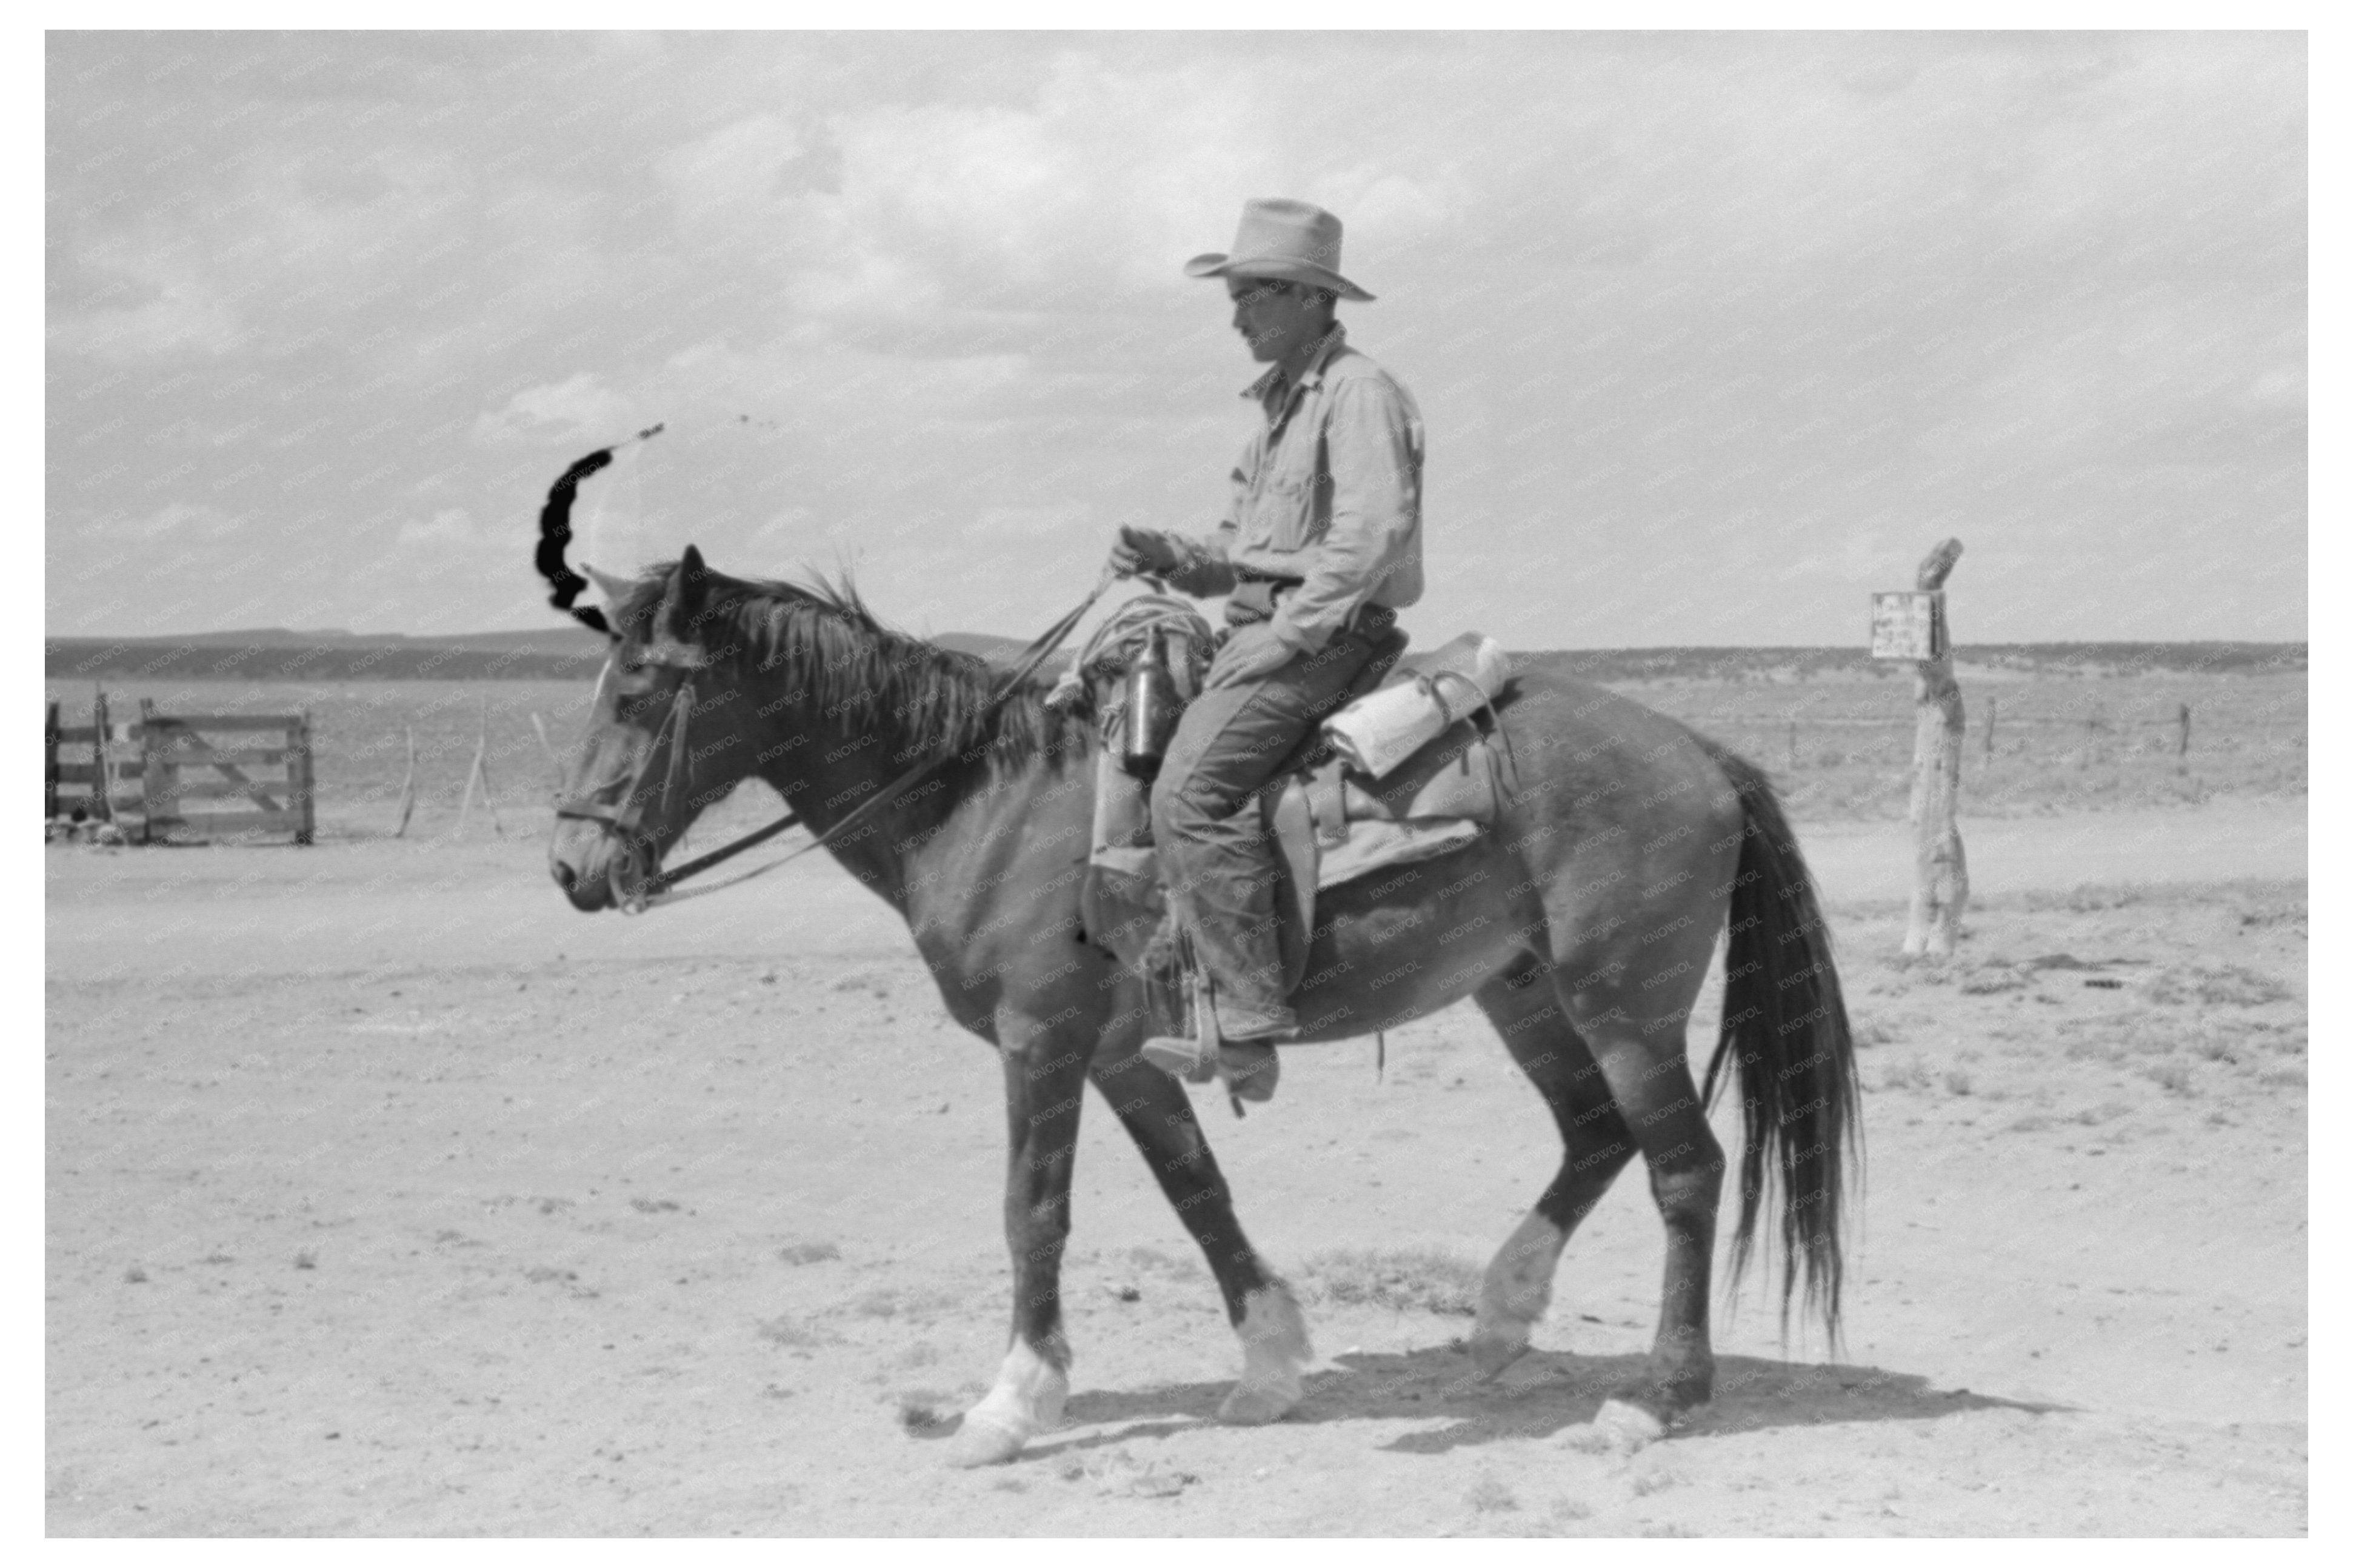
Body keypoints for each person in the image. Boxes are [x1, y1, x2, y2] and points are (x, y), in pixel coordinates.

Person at [1109, 198, 1426, 1099]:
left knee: (1194, 789)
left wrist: (1285, 635)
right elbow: (1239, 556)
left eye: (1250, 296)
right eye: (1237, 297)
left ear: (1302, 298)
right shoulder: (1278, 408)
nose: (1237, 316)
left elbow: (1368, 538)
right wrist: (1173, 558)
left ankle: (1247, 1024)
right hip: (1266, 624)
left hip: (1326, 634)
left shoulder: (1358, 393)